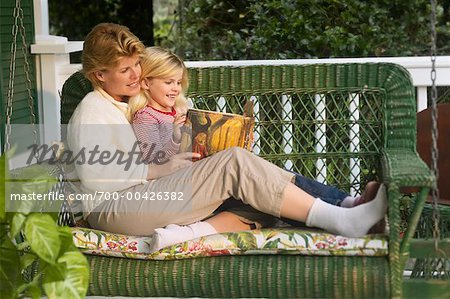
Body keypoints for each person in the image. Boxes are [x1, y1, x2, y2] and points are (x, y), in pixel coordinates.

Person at [67, 23, 387, 251]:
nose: (136, 75)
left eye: (137, 65)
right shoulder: (93, 110)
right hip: (114, 210)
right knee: (234, 163)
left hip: (147, 199)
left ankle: (343, 206)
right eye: (125, 70)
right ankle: (343, 218)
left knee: (257, 194)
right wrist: (158, 169)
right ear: (99, 75)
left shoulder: (128, 102)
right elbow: (97, 177)